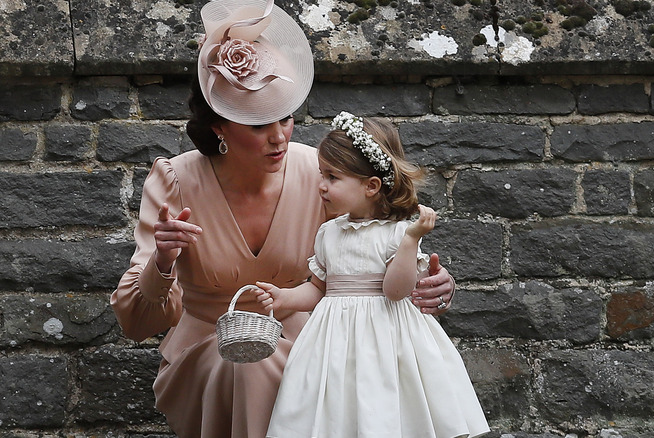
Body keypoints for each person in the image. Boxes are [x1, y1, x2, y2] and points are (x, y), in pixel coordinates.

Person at [110, 0, 458, 436]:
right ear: (220, 125)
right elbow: (135, 322)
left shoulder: (322, 175)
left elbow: (379, 245)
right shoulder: (175, 181)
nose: (278, 137)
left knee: (292, 371)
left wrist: (433, 285)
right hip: (209, 349)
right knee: (247, 366)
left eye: (286, 119)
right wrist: (162, 262)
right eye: (259, 126)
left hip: (315, 344)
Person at [254, 112, 490, 438]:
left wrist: (411, 240)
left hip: (387, 340)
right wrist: (286, 297)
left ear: (371, 186)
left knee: (383, 407)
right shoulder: (328, 233)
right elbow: (319, 289)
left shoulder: (397, 234)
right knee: (337, 410)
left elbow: (396, 291)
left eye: (333, 177)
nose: (321, 185)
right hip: (332, 343)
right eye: (322, 174)